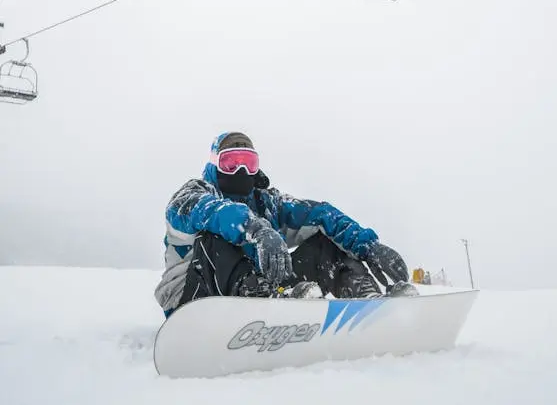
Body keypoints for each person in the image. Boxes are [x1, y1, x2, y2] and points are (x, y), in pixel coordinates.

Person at [155, 130, 417, 316]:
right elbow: (214, 212)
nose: (241, 171)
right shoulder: (191, 196)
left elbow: (320, 214)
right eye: (231, 163)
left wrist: (368, 246)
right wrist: (256, 229)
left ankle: (365, 298)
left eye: (249, 163)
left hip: (266, 291)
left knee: (324, 240)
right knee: (214, 236)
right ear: (214, 164)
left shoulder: (267, 204)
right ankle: (262, 298)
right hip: (192, 301)